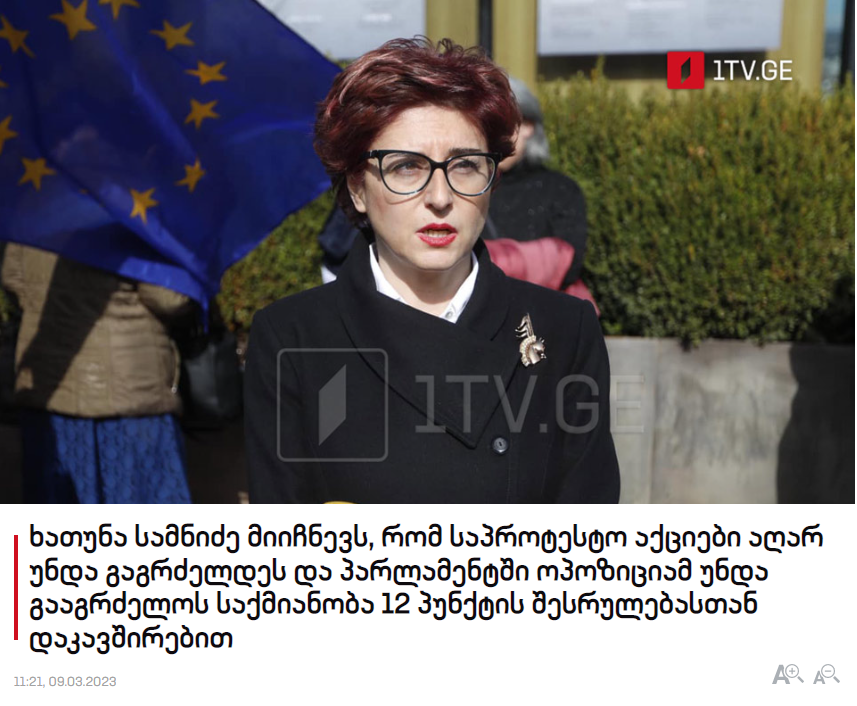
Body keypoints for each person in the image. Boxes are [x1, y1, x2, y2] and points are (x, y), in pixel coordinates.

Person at [244, 38, 619, 503]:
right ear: (357, 188)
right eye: (406, 167)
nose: (440, 197)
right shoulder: (293, 337)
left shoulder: (563, 330)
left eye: (465, 165)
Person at [1, 242, 193, 503]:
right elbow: (169, 298)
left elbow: (13, 277)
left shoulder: (34, 217)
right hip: (130, 389)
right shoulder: (137, 220)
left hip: (51, 385)